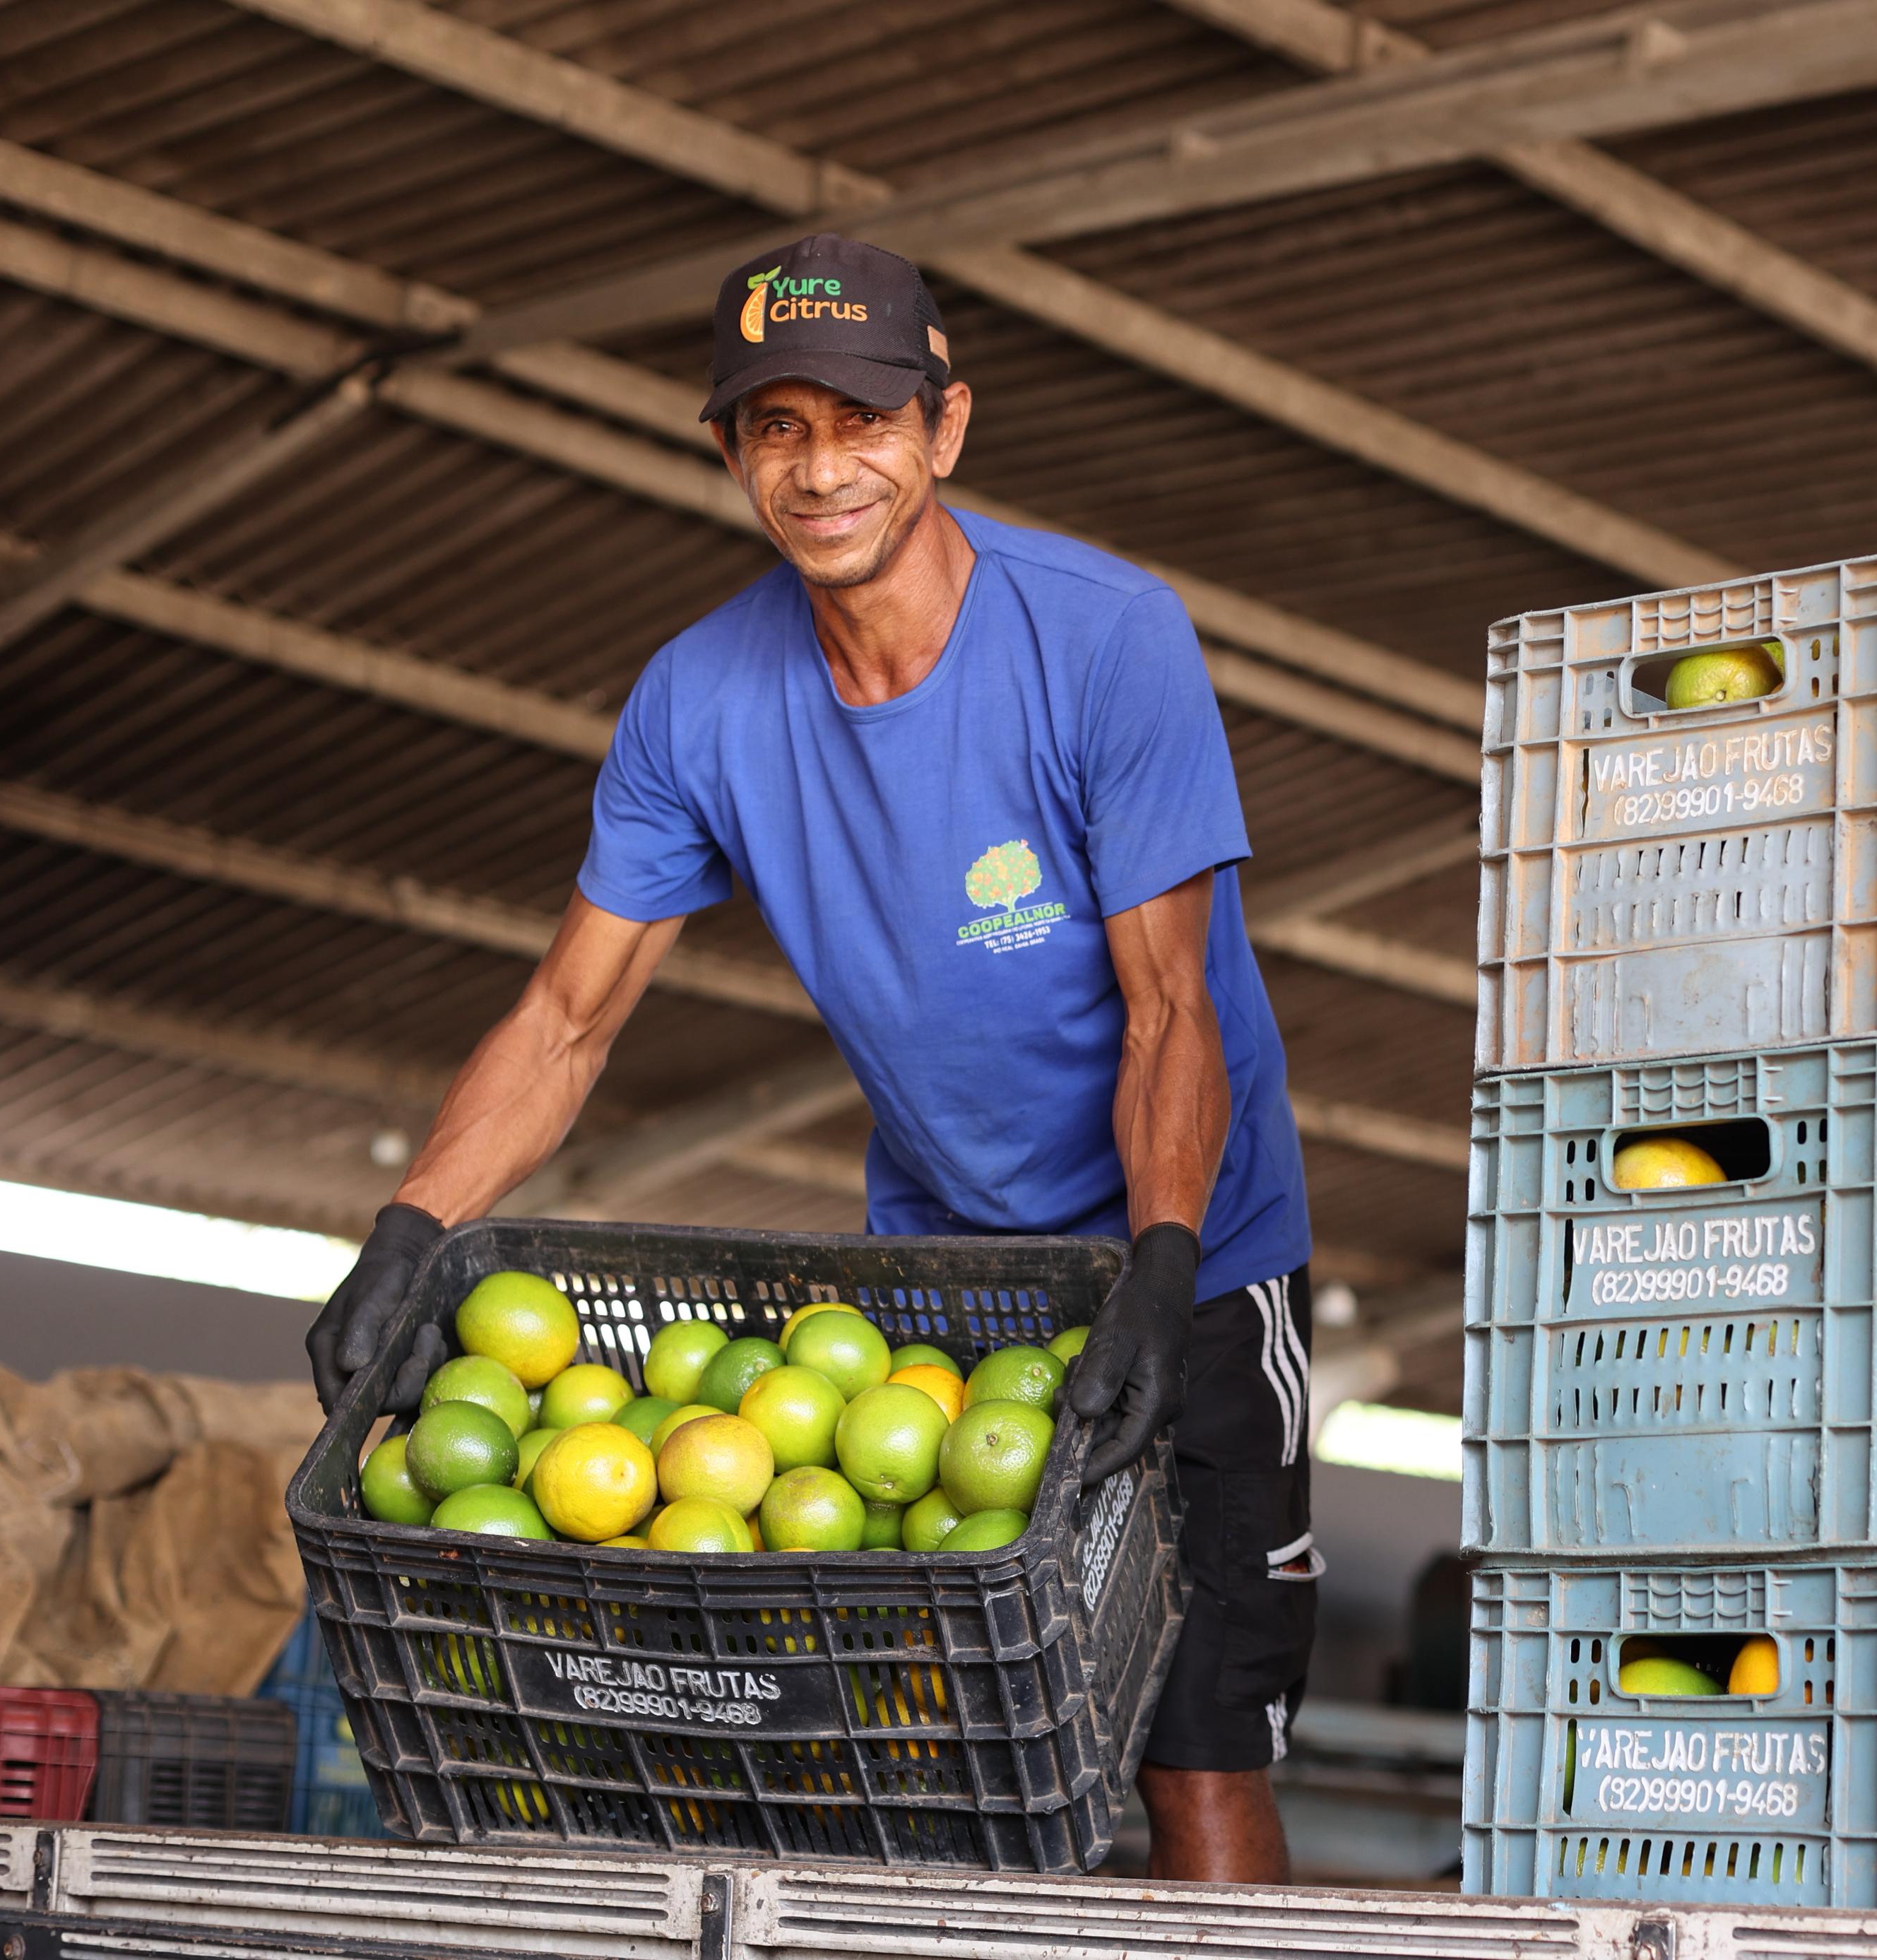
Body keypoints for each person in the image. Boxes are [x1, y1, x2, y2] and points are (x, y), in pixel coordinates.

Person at [304, 234, 1319, 1882]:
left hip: (1190, 1252)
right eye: (774, 426)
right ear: (729, 452)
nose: (822, 465)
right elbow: (569, 1019)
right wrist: (411, 1230)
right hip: (942, 1286)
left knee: (1188, 1749)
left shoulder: (1106, 639)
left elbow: (1171, 1010)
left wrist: (1158, 1264)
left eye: (859, 419)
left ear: (943, 428)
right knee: (937, 1743)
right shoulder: (697, 700)